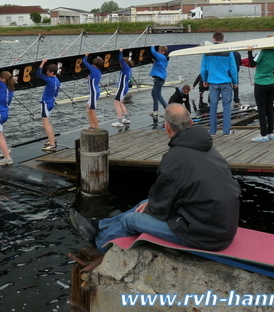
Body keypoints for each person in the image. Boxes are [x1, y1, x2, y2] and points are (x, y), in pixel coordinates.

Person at [69, 104, 241, 253]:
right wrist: (151, 204)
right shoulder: (209, 149)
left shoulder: (174, 158)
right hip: (218, 225)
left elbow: (160, 209)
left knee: (131, 220)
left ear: (167, 128)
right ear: (190, 123)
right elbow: (168, 197)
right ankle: (99, 225)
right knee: (145, 203)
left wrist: (152, 206)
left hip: (204, 235)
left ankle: (99, 243)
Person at [200, 32, 238, 135]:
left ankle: (212, 130)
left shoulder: (207, 52)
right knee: (226, 106)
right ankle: (226, 130)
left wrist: (205, 80)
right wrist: (235, 82)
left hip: (212, 82)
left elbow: (203, 69)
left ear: (213, 40)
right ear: (223, 39)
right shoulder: (228, 52)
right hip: (225, 82)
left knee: (213, 106)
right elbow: (233, 69)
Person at [247, 44, 274, 142]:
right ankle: (270, 133)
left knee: (261, 109)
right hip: (271, 84)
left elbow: (252, 64)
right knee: (269, 109)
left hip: (260, 83)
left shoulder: (262, 52)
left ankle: (263, 134)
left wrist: (249, 51)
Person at [36, 59, 61, 151]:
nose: (46, 73)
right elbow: (56, 94)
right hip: (51, 102)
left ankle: (52, 144)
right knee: (48, 122)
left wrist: (42, 63)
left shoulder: (49, 80)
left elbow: (38, 73)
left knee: (45, 123)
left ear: (51, 72)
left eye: (47, 71)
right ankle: (53, 139)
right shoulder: (57, 81)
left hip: (46, 103)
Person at [112, 49, 133, 127]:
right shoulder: (129, 69)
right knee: (120, 103)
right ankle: (127, 119)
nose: (120, 64)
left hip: (122, 88)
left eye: (121, 63)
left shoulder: (125, 68)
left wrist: (120, 52)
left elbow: (120, 58)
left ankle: (119, 122)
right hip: (125, 87)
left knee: (116, 104)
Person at [82, 53, 104, 129]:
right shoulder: (97, 71)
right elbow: (92, 77)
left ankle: (97, 128)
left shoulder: (93, 69)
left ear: (95, 65)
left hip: (94, 92)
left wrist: (86, 55)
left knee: (92, 111)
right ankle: (91, 126)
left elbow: (84, 61)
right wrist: (89, 78)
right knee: (88, 108)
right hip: (94, 92)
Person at [149, 45, 169, 117]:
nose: (158, 51)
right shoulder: (164, 58)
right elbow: (160, 65)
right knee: (153, 94)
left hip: (159, 78)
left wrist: (152, 46)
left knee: (158, 95)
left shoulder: (162, 57)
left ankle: (167, 110)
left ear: (163, 52)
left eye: (159, 50)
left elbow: (153, 52)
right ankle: (155, 110)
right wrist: (155, 63)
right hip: (159, 77)